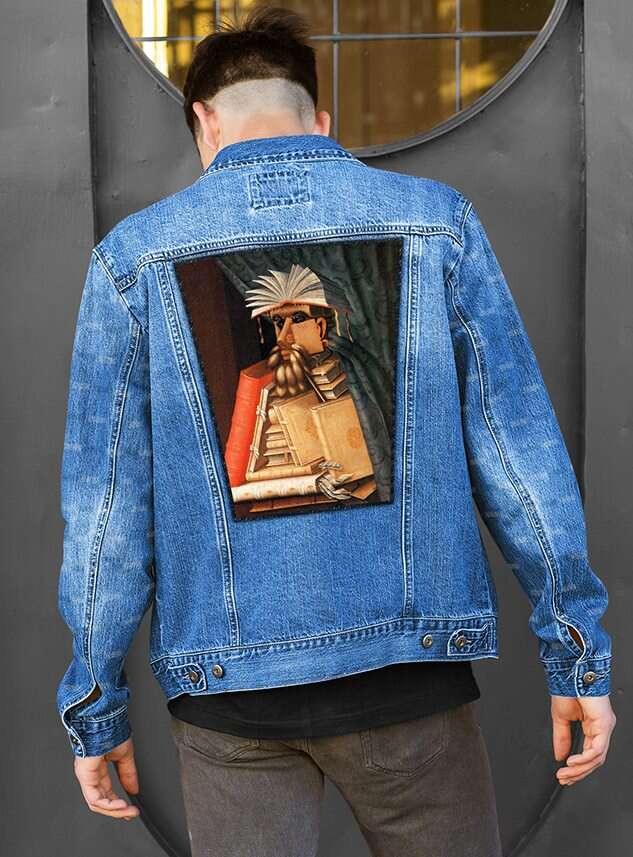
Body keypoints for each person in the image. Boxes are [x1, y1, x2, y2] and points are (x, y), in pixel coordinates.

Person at [56, 5, 616, 855]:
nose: (292, 332)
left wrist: (94, 705)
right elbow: (519, 461)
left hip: (228, 694)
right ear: (320, 119)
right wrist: (576, 654)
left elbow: (105, 517)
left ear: (205, 123)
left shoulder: (132, 260)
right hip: (409, 680)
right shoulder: (436, 223)